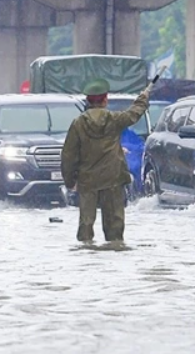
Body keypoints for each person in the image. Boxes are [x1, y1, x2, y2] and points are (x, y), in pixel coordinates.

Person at [61, 78, 151, 243]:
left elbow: (68, 155)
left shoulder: (78, 123)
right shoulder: (115, 119)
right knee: (115, 226)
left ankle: (86, 258)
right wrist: (143, 98)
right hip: (113, 177)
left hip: (87, 179)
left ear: (87, 101)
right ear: (105, 100)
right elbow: (134, 114)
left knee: (86, 225)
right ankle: (113, 257)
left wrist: (69, 181)